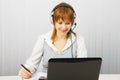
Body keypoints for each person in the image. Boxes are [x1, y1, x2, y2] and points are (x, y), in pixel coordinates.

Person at [19, 2, 87, 79]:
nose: (64, 27)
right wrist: (26, 71)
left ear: (72, 23)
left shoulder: (79, 40)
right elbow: (32, 64)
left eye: (67, 23)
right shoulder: (43, 39)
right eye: (60, 23)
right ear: (53, 22)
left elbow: (83, 67)